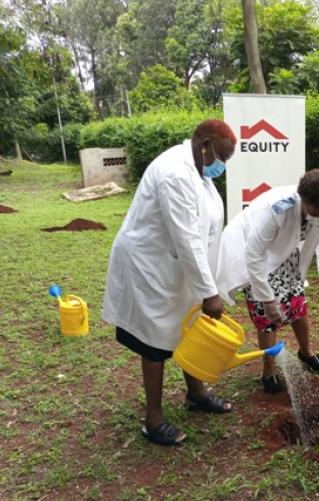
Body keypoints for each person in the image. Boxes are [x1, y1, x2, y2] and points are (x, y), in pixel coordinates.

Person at [102, 119, 236, 446]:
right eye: (221, 155)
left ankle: (196, 394)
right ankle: (154, 418)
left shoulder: (199, 170)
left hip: (177, 266)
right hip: (150, 265)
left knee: (190, 327)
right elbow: (187, 238)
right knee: (156, 339)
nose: (222, 165)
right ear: (205, 143)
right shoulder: (174, 174)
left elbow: (204, 230)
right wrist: (209, 293)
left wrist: (209, 286)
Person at [216, 169, 319, 393]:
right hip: (255, 254)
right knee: (267, 318)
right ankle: (269, 371)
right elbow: (253, 255)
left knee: (297, 303)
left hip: (285, 254)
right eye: (318, 212)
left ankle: (306, 353)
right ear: (304, 200)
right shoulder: (277, 209)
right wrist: (266, 299)